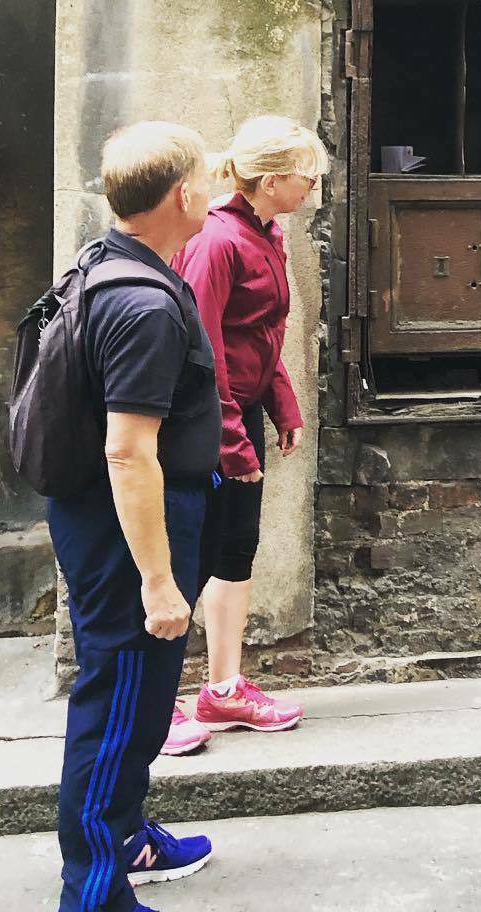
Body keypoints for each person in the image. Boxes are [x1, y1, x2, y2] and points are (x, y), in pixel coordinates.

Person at [47, 123, 221, 911]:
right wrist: (157, 580)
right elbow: (127, 451)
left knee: (141, 700)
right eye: (206, 179)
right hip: (130, 527)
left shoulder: (104, 265)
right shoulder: (143, 303)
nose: (212, 190)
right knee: (119, 702)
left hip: (115, 517)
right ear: (182, 194)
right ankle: (92, 894)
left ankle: (127, 836)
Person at [168, 116, 328, 746]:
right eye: (304, 172)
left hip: (239, 418)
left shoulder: (266, 233)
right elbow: (201, 348)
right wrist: (233, 444)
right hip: (207, 427)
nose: (313, 182)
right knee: (187, 560)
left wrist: (283, 405)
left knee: (234, 551)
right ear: (269, 180)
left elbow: (262, 333)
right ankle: (156, 705)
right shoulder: (217, 241)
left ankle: (223, 690)